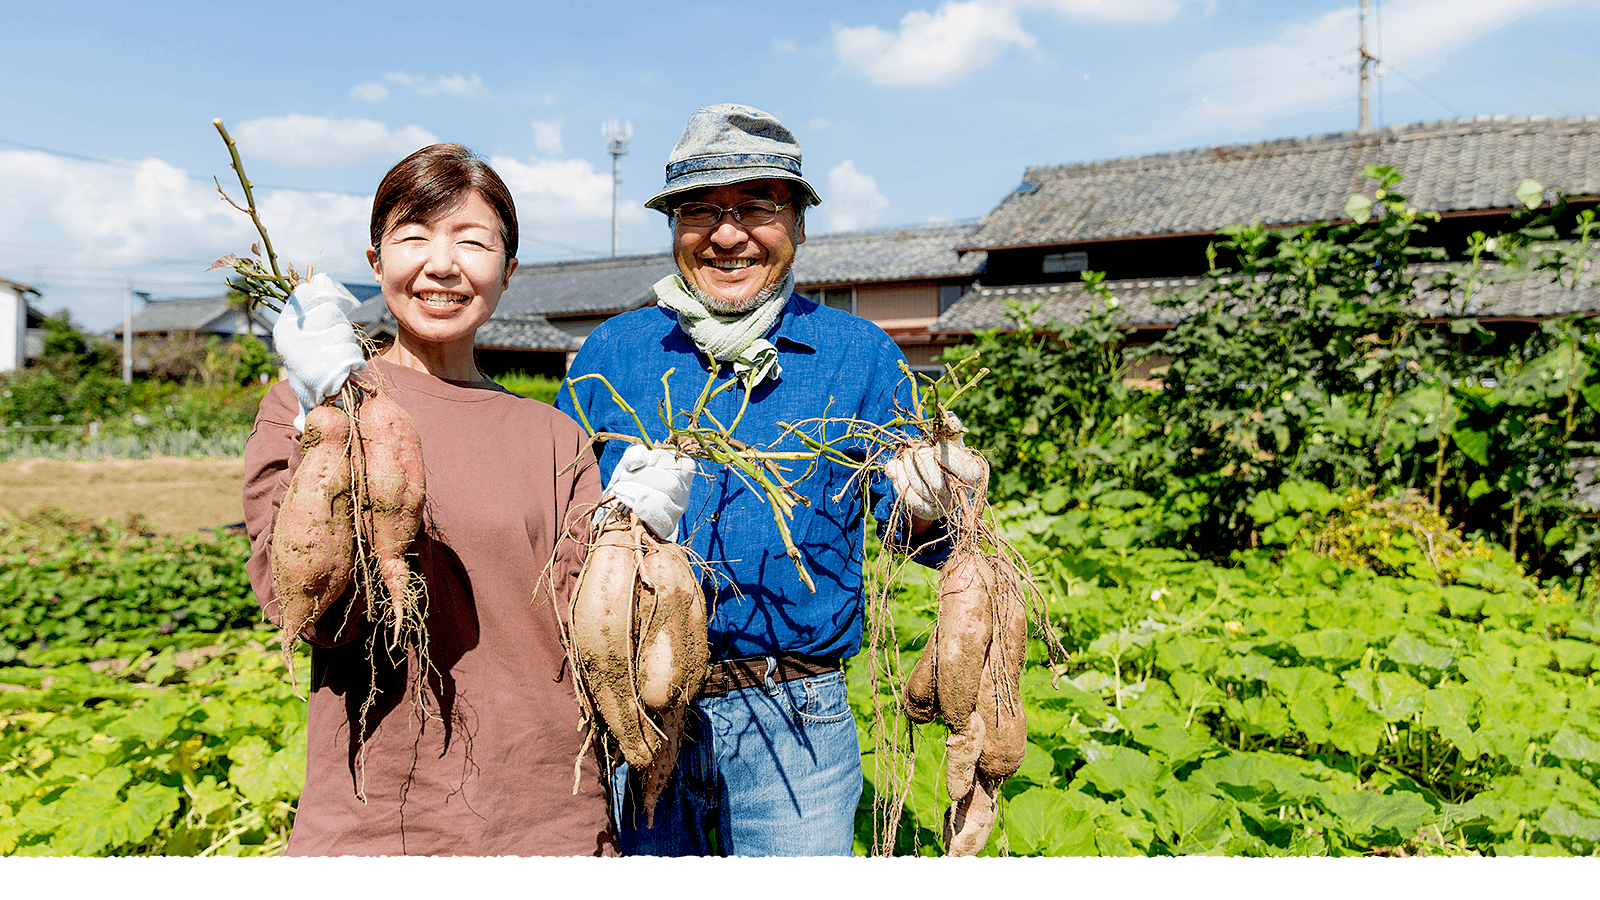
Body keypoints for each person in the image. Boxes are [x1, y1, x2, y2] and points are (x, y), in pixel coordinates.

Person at [557, 104, 964, 856]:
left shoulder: (859, 355)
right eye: (700, 210)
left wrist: (934, 498)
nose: (726, 232)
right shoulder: (613, 354)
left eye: (756, 207)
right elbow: (553, 539)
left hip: (795, 713)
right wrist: (609, 523)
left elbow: (923, 543)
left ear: (799, 225)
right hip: (634, 704)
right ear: (675, 228)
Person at [242, 143, 614, 856]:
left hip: (550, 816)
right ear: (377, 262)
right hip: (380, 822)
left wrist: (638, 537)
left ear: (508, 272)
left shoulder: (555, 434)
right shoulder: (308, 405)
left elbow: (587, 631)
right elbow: (308, 613)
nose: (442, 264)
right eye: (414, 237)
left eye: (472, 241)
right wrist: (331, 440)